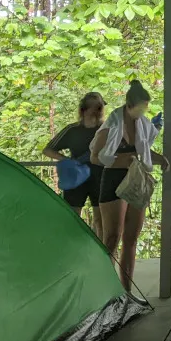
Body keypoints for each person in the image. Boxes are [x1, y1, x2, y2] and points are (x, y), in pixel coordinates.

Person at [90, 81, 170, 292]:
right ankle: (106, 290)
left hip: (136, 178)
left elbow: (143, 152)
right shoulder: (112, 126)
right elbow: (95, 157)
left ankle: (126, 291)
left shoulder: (143, 124)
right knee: (112, 237)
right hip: (114, 179)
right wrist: (120, 160)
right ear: (128, 105)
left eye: (145, 108)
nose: (143, 112)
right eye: (140, 107)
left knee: (131, 238)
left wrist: (160, 158)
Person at [43, 92, 106, 239]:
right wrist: (68, 161)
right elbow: (48, 150)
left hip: (101, 178)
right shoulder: (72, 130)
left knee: (100, 221)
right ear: (84, 109)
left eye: (99, 107)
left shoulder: (106, 130)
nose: (98, 110)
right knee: (72, 218)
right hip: (76, 178)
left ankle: (101, 253)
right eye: (95, 107)